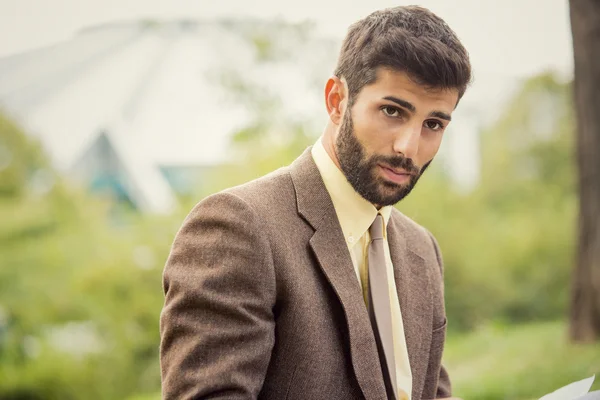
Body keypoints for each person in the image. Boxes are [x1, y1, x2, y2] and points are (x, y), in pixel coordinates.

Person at [160, 5, 471, 400]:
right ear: (337, 100)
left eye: (433, 124)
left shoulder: (422, 250)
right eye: (392, 111)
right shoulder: (237, 225)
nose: (408, 148)